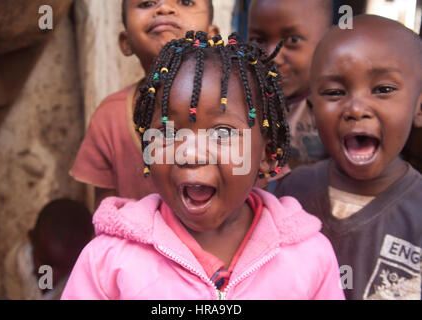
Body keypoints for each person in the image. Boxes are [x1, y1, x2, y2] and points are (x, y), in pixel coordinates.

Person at [61, 32, 344, 300]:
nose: (191, 153)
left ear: (267, 155)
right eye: (169, 132)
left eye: (221, 133)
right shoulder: (108, 259)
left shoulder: (309, 258)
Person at [275, 15, 422, 300]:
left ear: (419, 106)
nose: (356, 108)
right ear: (314, 110)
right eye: (334, 92)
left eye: (383, 90)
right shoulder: (291, 192)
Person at [70, 0, 219, 208]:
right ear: (126, 42)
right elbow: (106, 218)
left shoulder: (235, 110)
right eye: (147, 3)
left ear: (212, 36)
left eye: (185, 2)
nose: (164, 9)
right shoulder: (110, 117)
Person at [247, 0, 333, 171]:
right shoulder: (241, 100)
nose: (273, 56)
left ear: (327, 41)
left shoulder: (334, 107)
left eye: (293, 40)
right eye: (258, 40)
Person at [0, 199, 93, 300]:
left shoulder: (81, 278)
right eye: (45, 262)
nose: (51, 274)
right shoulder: (16, 263)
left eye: (64, 267)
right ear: (32, 239)